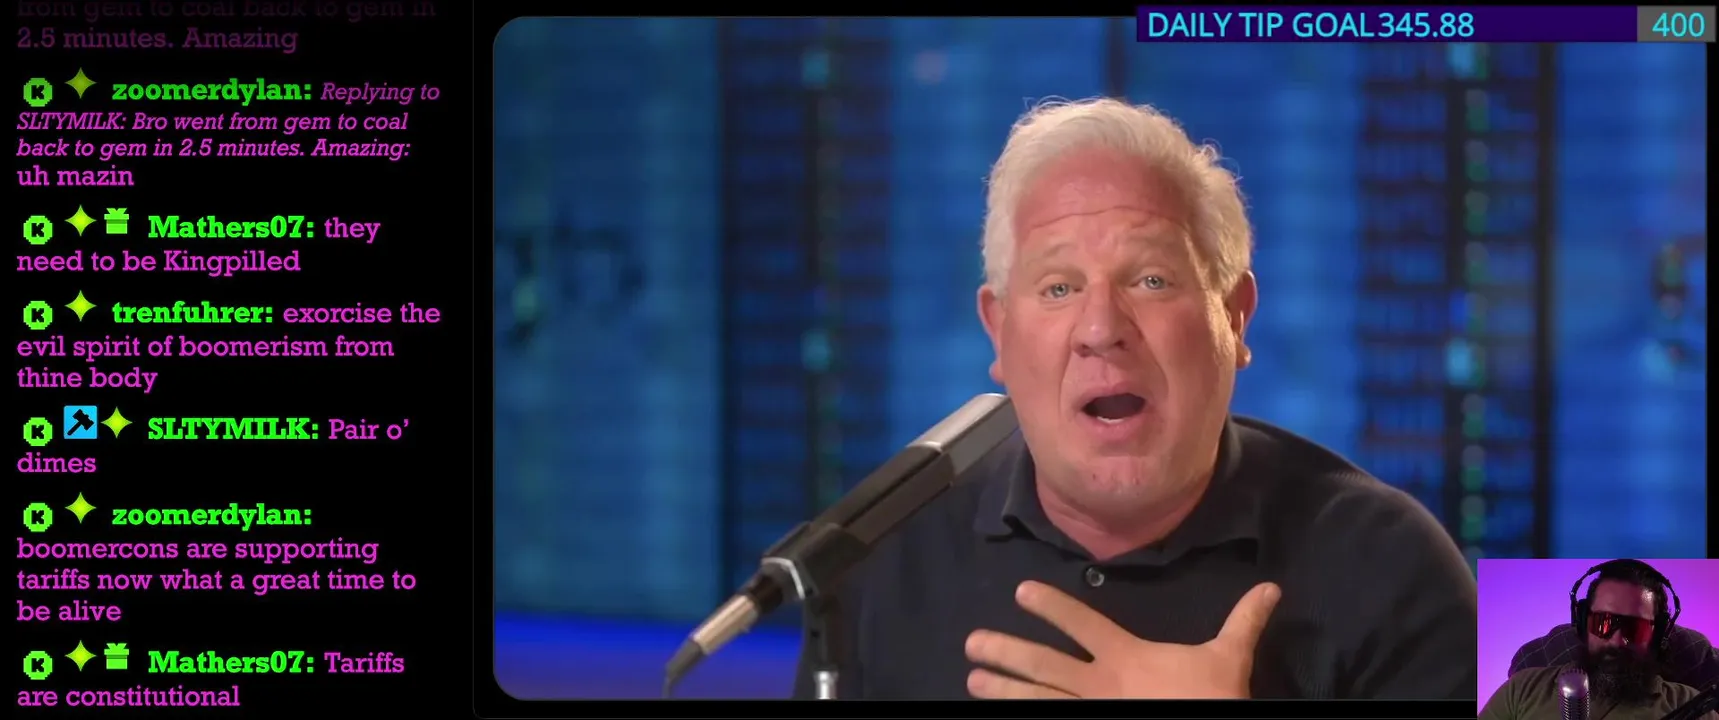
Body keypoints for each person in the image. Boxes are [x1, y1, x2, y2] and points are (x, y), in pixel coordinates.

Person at [790, 97, 1477, 700]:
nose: (1100, 329)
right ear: (997, 330)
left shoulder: (1394, 565)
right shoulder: (883, 559)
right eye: (1058, 288)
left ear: (1234, 316)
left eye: (1150, 280)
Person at [1480, 560, 1717, 720]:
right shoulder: (1522, 691)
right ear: (1583, 622)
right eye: (1604, 622)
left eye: (1635, 629)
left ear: (1658, 635)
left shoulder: (1694, 708)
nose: (1617, 642)